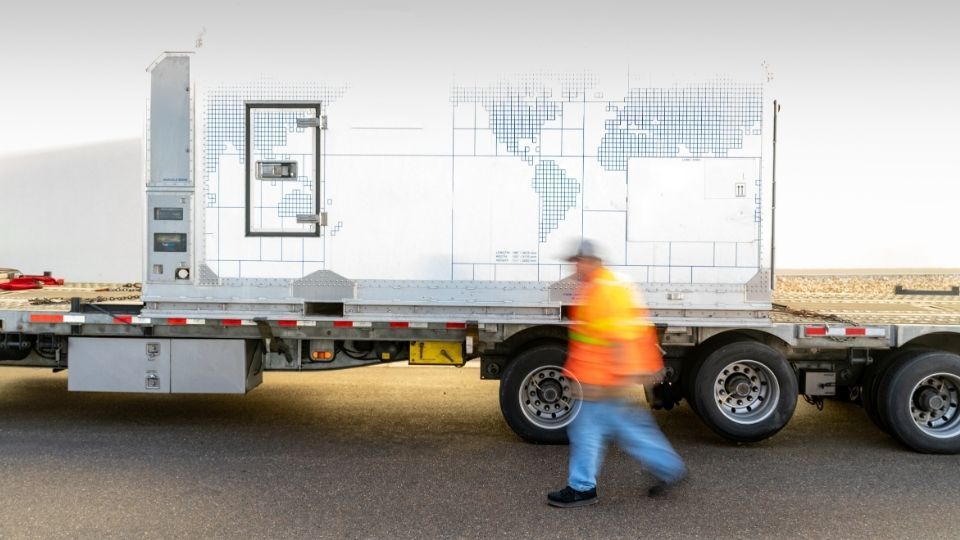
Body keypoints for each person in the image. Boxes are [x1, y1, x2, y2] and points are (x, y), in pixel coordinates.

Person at [547, 240, 687, 508]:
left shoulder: (604, 292)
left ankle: (582, 488)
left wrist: (619, 378)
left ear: (593, 262)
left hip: (601, 381)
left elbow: (621, 338)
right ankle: (668, 467)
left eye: (580, 260)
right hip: (598, 379)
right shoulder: (601, 288)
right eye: (574, 260)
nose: (575, 266)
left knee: (586, 430)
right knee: (627, 427)